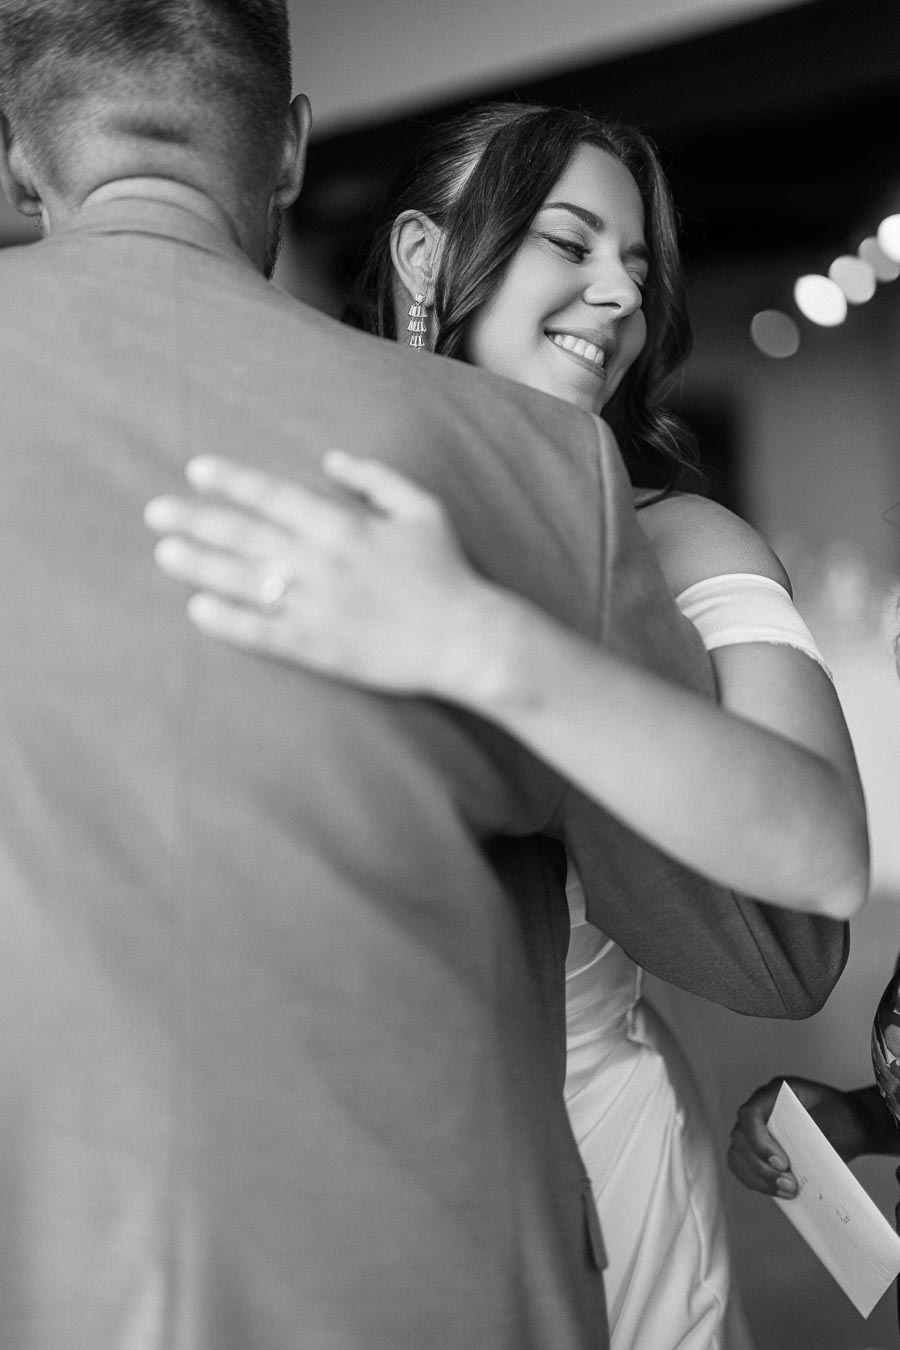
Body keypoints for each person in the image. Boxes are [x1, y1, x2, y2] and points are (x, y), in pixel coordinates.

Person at [0, 9, 843, 1350]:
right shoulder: (523, 482)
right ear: (292, 156)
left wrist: (478, 637)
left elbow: (799, 902)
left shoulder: (647, 522)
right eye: (568, 245)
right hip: (427, 1217)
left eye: (637, 262)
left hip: (545, 1169)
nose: (620, 296)